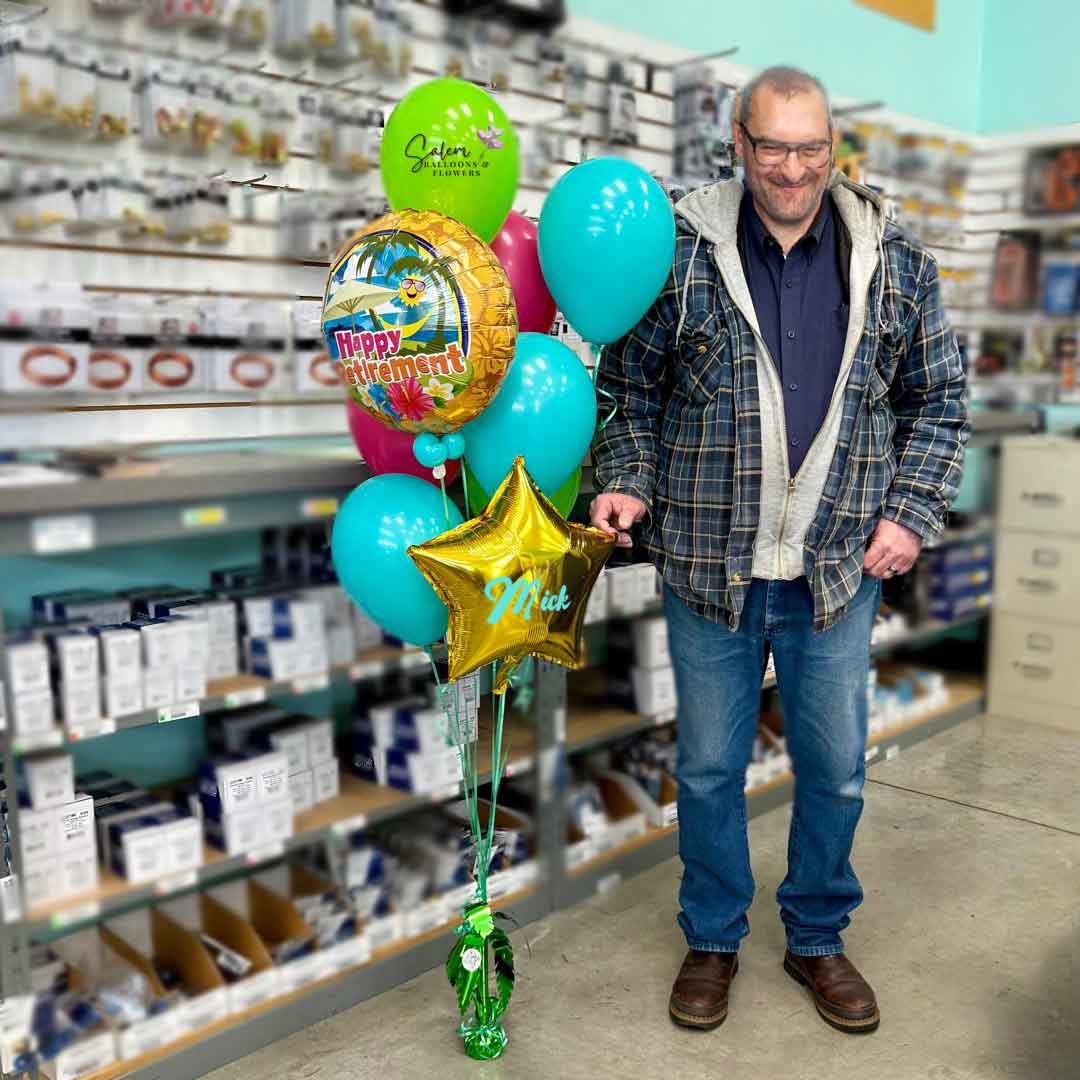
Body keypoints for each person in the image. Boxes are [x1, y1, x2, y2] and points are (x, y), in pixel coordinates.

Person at [589, 65, 968, 1036]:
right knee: (711, 767)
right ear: (739, 142)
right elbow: (627, 391)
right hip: (709, 565)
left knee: (837, 766)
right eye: (773, 148)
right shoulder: (676, 253)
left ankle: (815, 936)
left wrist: (911, 512)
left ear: (833, 148)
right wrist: (623, 474)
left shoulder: (899, 264)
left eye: (811, 149)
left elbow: (939, 404)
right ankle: (712, 936)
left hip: (837, 567)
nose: (793, 170)